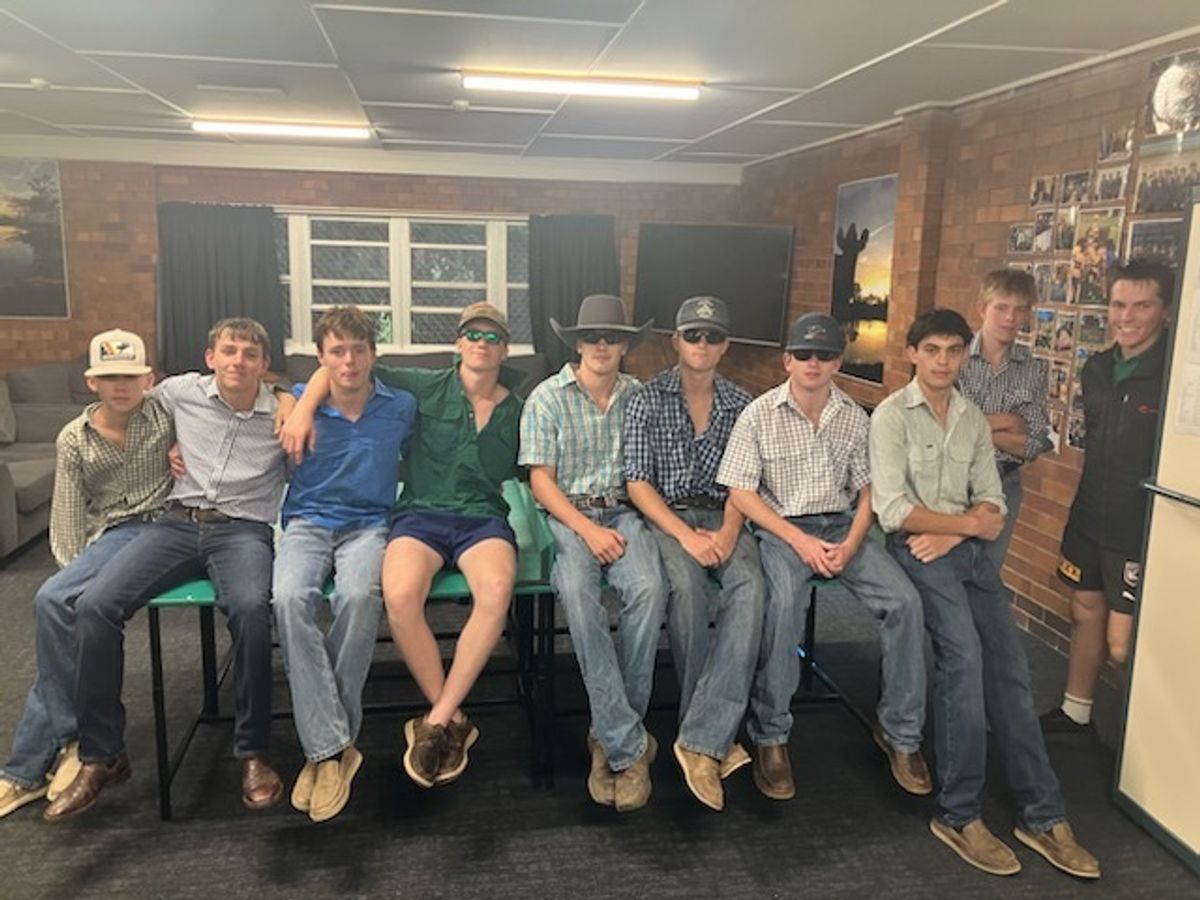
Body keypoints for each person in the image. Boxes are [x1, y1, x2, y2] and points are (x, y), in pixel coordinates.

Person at [870, 308, 1099, 879]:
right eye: (932, 350)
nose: (943, 361)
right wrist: (965, 525)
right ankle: (959, 813)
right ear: (913, 354)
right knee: (963, 658)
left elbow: (992, 506)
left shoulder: (971, 417)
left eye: (953, 350)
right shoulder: (892, 417)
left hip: (959, 549)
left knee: (1011, 670)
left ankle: (1043, 814)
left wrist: (958, 531)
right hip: (917, 552)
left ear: (963, 357)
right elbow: (894, 511)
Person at [45, 318, 290, 821]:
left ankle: (253, 752)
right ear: (210, 357)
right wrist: (171, 446)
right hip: (176, 524)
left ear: (264, 365)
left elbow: (305, 398)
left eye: (250, 354)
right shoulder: (180, 392)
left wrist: (288, 398)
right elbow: (127, 399)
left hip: (243, 531)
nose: (238, 361)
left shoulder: (281, 415)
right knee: (94, 606)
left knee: (250, 610)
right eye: (229, 350)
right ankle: (101, 754)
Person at [282, 302, 523, 791]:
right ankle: (454, 720)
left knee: (497, 591)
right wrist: (302, 407)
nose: (482, 344)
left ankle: (436, 720)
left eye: (493, 337)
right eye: (473, 335)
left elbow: (540, 466)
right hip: (420, 514)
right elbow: (345, 369)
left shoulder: (521, 409)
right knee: (399, 596)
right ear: (458, 343)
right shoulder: (422, 387)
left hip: (481, 519)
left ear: (505, 349)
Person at [720, 313, 930, 802]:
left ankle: (900, 733)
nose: (813, 363)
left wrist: (853, 543)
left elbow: (868, 492)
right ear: (787, 360)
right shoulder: (758, 414)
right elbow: (742, 493)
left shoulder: (855, 417)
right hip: (782, 530)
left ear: (838, 362)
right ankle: (771, 735)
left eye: (826, 355)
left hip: (841, 527)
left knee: (905, 603)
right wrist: (799, 541)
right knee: (784, 606)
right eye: (804, 354)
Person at [0, 330, 173, 819]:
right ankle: (69, 743)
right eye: (110, 377)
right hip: (113, 534)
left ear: (148, 379)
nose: (121, 386)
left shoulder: (166, 414)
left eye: (130, 377)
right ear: (92, 381)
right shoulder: (73, 438)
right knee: (56, 599)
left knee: (57, 603)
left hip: (166, 526)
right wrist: (77, 573)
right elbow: (68, 516)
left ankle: (32, 765)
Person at [521, 293, 667, 812]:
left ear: (625, 346)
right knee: (579, 596)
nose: (601, 345)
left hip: (625, 512)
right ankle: (628, 745)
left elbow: (648, 472)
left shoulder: (641, 397)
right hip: (568, 515)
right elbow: (541, 482)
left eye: (612, 338)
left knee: (650, 589)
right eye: (591, 337)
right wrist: (587, 529)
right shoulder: (546, 397)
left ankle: (609, 734)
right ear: (577, 344)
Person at [272, 307, 415, 822]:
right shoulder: (296, 402)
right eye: (337, 351)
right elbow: (275, 390)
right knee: (288, 599)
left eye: (358, 350)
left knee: (359, 597)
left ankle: (324, 751)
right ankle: (335, 747)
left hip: (369, 526)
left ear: (373, 354)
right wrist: (300, 403)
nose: (349, 361)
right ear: (321, 356)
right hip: (307, 523)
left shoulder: (400, 406)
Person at [623, 296, 763, 812]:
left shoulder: (743, 404)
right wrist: (685, 535)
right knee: (686, 589)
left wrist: (727, 534)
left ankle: (701, 736)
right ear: (676, 341)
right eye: (693, 335)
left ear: (725, 346)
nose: (703, 344)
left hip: (726, 515)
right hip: (668, 517)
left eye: (713, 336)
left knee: (752, 589)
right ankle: (704, 736)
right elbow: (637, 483)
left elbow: (746, 483)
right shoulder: (645, 399)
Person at [1049, 259, 1174, 733]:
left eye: (1142, 306)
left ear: (1164, 310)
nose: (1127, 316)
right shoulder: (1098, 368)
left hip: (1134, 522)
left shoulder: (1171, 372)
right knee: (1084, 610)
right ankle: (1074, 714)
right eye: (1119, 305)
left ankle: (1148, 743)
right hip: (1089, 513)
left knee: (1122, 645)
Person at [957, 270, 1052, 576]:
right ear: (982, 308)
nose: (1011, 318)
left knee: (984, 575)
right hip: (953, 479)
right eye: (1001, 307)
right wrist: (1010, 422)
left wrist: (974, 425)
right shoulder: (955, 357)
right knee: (942, 575)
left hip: (1004, 483)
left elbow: (1034, 443)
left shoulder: (1033, 369)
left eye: (1020, 309)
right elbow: (944, 426)